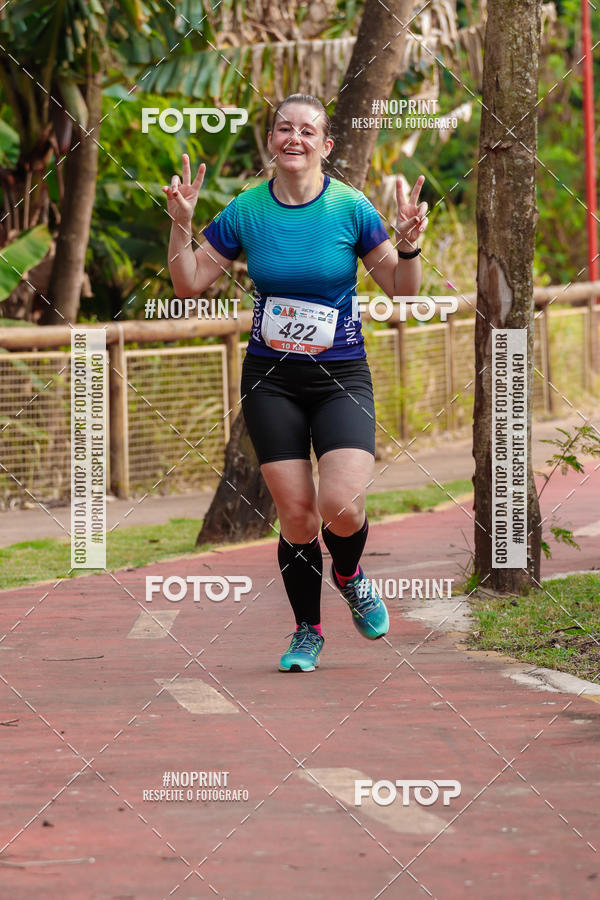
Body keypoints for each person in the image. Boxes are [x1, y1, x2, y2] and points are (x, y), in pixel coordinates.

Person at [164, 93, 428, 672]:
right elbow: (188, 282)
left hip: (341, 377)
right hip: (272, 380)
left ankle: (351, 575)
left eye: (308, 131)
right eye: (284, 128)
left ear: (325, 146)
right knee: (300, 517)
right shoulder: (246, 210)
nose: (295, 138)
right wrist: (181, 224)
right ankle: (307, 630)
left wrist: (407, 243)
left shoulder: (352, 209)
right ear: (271, 141)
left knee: (341, 507)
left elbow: (402, 291)